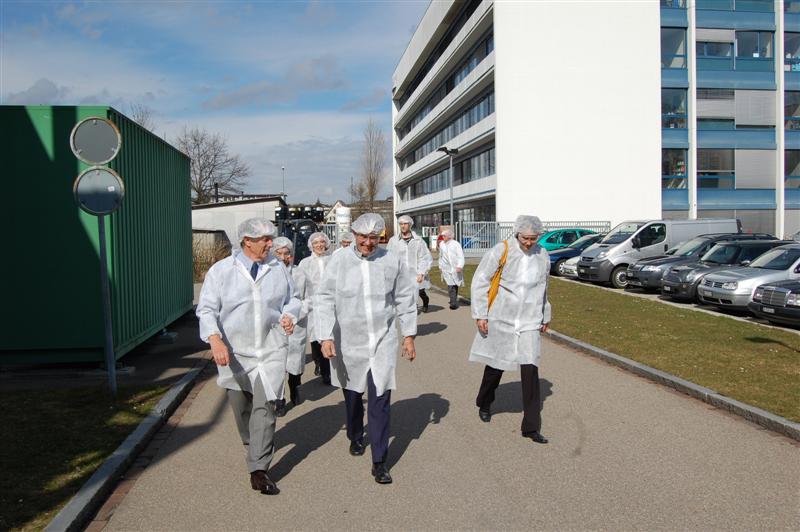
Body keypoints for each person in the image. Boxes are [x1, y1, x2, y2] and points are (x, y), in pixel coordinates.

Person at [196, 218, 301, 495]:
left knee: (266, 408)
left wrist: (289, 315)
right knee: (242, 410)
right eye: (264, 239)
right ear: (247, 241)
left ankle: (259, 469)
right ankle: (253, 446)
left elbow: (294, 299)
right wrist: (215, 339)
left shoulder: (278, 268)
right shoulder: (222, 271)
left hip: (271, 349)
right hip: (236, 351)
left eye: (271, 238)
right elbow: (206, 309)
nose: (270, 243)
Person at [315, 213, 418, 484]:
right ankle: (354, 433)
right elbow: (324, 298)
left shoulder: (391, 260)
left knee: (380, 396)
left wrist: (408, 335)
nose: (368, 243)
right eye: (363, 237)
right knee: (352, 395)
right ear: (354, 235)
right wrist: (325, 336)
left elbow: (405, 297)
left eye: (374, 238)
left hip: (382, 340)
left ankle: (379, 460)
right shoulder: (339, 260)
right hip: (349, 341)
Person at [469, 215, 552, 444]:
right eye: (525, 238)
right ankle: (484, 402)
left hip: (529, 319)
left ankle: (531, 427)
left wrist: (545, 314)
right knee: (496, 366)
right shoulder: (502, 250)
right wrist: (481, 314)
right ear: (517, 233)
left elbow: (544, 287)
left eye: (533, 238)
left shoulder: (542, 255)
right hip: (502, 316)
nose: (529, 242)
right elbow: (480, 281)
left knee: (530, 368)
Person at [271, 236, 306, 417]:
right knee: (275, 364)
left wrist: (294, 316)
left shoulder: (299, 273)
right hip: (274, 327)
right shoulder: (267, 274)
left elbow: (307, 299)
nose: (283, 257)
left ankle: (294, 384)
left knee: (294, 362)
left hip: (295, 325)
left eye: (287, 254)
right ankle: (279, 400)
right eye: (279, 253)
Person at [297, 231, 332, 384]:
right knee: (314, 335)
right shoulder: (305, 263)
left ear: (326, 244)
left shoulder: (332, 260)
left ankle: (327, 371)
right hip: (312, 303)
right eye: (316, 243)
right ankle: (318, 361)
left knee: (328, 333)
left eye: (322, 242)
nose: (319, 245)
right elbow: (300, 283)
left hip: (330, 303)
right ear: (311, 245)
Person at [387, 215, 433, 312]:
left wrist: (421, 272)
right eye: (401, 224)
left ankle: (425, 300)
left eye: (405, 224)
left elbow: (424, 257)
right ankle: (410, 310)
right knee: (404, 294)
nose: (403, 226)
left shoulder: (418, 241)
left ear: (410, 225)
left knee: (420, 291)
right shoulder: (393, 241)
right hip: (401, 274)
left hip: (416, 273)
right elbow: (389, 257)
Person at [438, 228, 464, 309]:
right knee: (450, 285)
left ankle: (453, 300)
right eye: (442, 236)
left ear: (449, 236)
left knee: (455, 283)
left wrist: (460, 266)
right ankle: (453, 302)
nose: (443, 237)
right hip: (446, 268)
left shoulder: (456, 244)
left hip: (455, 267)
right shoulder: (442, 244)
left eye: (444, 236)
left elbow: (460, 256)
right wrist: (440, 266)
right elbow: (440, 256)